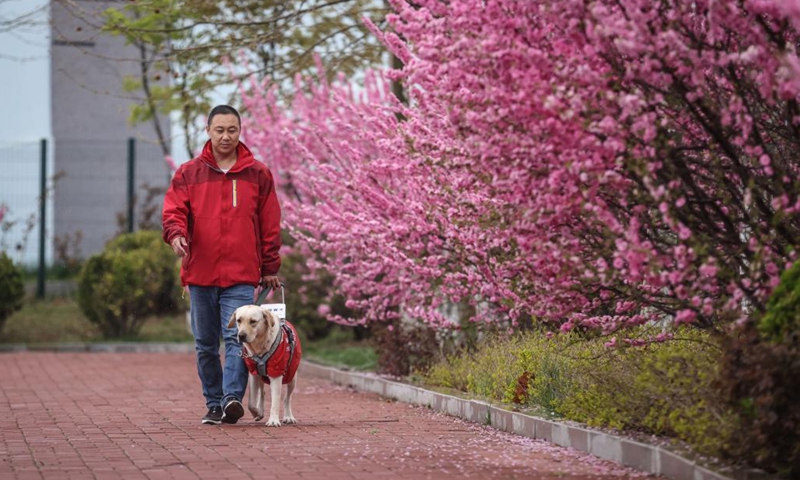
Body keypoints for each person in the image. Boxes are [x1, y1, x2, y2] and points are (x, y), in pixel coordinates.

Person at [162, 104, 282, 425]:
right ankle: (214, 402)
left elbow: (270, 224)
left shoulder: (258, 174)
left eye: (232, 130)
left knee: (236, 339)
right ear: (208, 131)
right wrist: (176, 234)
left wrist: (270, 266)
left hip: (241, 274)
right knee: (205, 344)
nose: (226, 136)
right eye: (220, 130)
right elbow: (174, 211)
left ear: (240, 131)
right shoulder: (188, 173)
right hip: (200, 273)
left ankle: (231, 399)